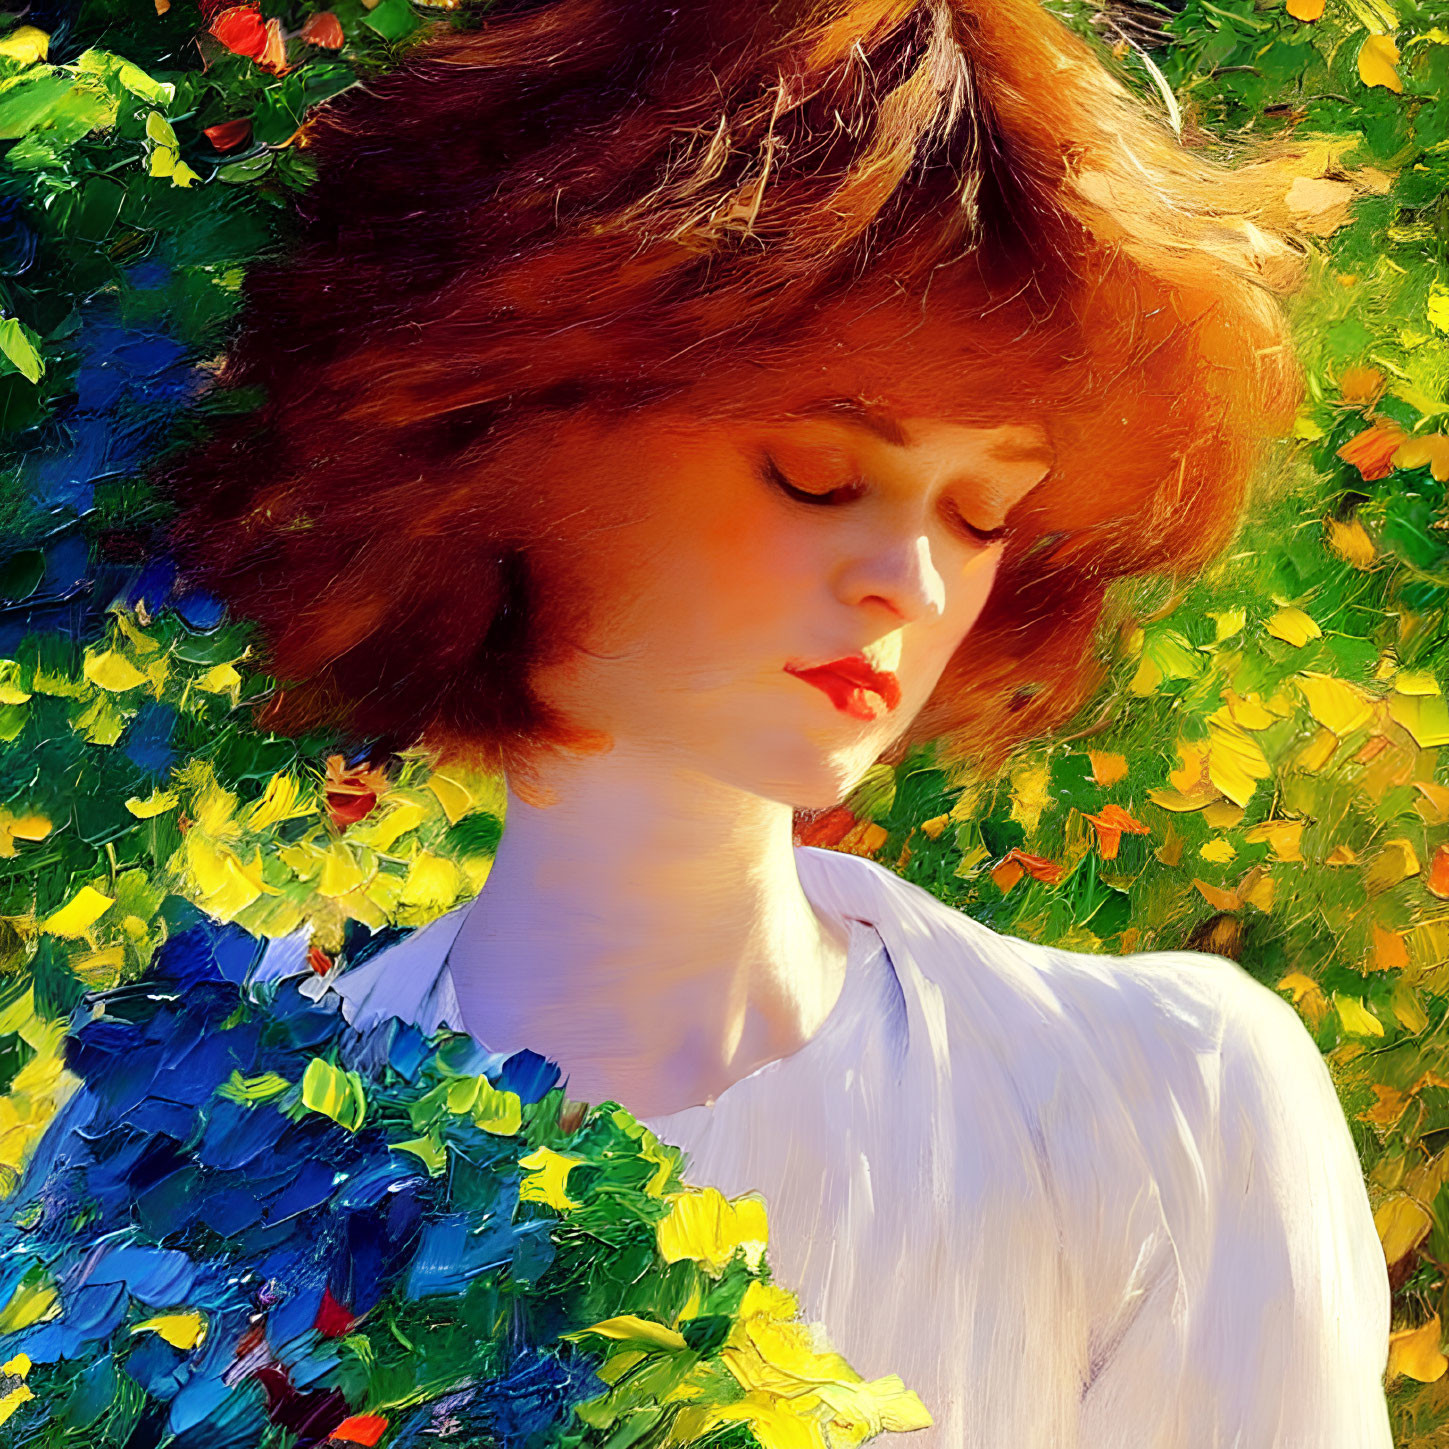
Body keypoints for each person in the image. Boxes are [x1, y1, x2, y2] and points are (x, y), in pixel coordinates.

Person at [161, 0, 1392, 1441]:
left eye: (982, 507)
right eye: (817, 471)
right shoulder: (210, 1140)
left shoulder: (1158, 1099)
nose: (911, 577)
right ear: (513, 427)